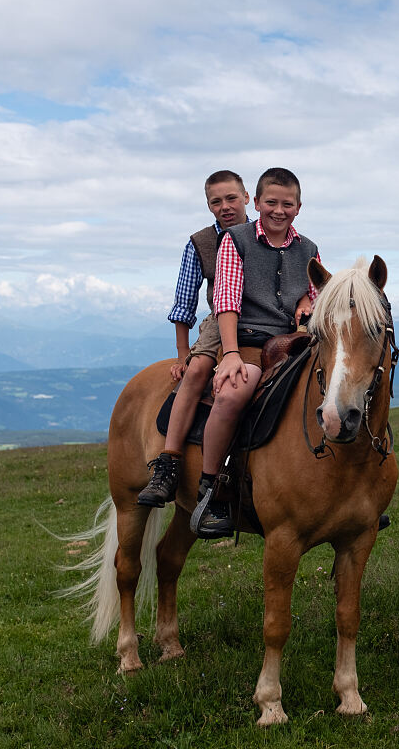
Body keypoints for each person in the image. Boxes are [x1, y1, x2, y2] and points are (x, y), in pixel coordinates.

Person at [191, 167, 320, 538]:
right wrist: (230, 353)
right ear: (258, 202)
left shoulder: (308, 249)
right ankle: (211, 488)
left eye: (288, 204)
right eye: (272, 203)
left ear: (299, 207)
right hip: (246, 340)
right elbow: (226, 298)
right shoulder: (236, 239)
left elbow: (313, 293)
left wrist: (304, 306)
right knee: (235, 389)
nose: (279, 211)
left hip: (289, 344)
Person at [137, 170, 251, 509]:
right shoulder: (201, 243)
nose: (225, 206)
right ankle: (168, 462)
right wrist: (183, 353)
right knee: (198, 370)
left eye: (231, 198)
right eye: (216, 202)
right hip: (221, 318)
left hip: (269, 316)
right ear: (208, 206)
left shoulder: (264, 233)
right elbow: (184, 301)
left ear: (246, 198)